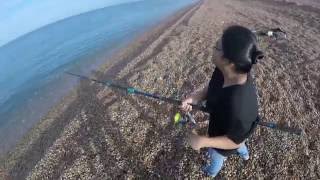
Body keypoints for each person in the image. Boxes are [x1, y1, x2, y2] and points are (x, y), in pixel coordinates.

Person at [180, 25, 263, 177]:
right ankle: (245, 155)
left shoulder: (239, 105)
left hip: (226, 139)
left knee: (218, 156)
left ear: (229, 61)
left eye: (216, 48)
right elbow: (211, 87)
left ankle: (211, 173)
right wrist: (194, 97)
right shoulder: (225, 70)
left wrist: (203, 142)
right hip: (232, 128)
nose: (212, 49)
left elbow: (233, 141)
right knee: (242, 142)